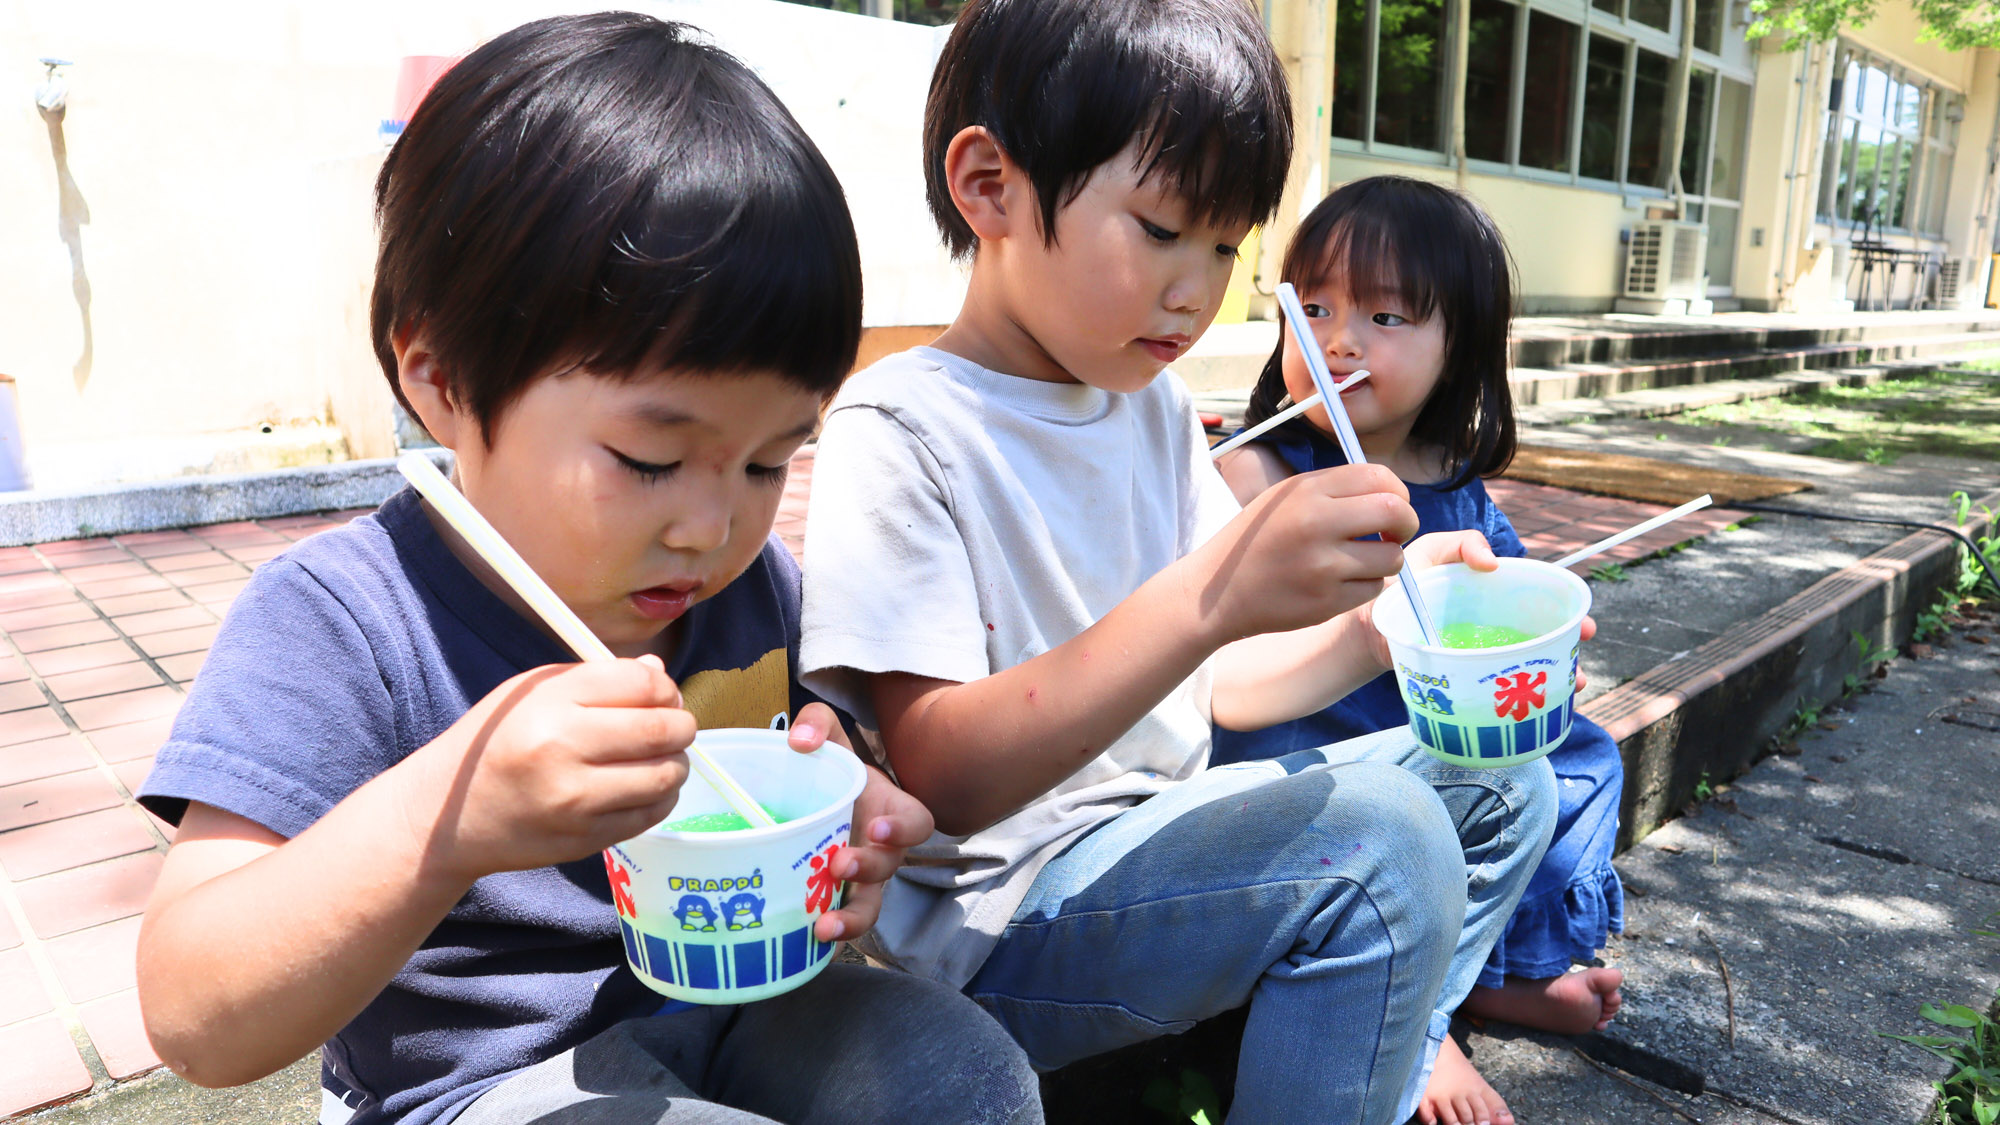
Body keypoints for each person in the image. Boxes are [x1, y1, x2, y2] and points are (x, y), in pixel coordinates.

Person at [134, 15, 1041, 1125]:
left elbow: (814, 762)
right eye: (650, 458)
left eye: (768, 460)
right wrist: (454, 813)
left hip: (736, 1015)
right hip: (469, 1090)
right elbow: (192, 1014)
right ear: (440, 379)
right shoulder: (346, 623)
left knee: (960, 1072)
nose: (710, 526)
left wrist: (856, 808)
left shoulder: (750, 596)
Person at [796, 3, 1557, 1122]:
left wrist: (1388, 620)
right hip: (995, 924)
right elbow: (943, 776)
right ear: (988, 186)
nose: (1197, 291)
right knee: (1378, 840)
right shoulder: (904, 426)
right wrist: (1212, 597)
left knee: (1503, 777)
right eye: (1160, 230)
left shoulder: (1144, 405)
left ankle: (1383, 1066)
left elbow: (1229, 683)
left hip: (1153, 846)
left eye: (1224, 247)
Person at [1214, 175, 1628, 1125]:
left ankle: (1492, 967)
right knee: (1406, 810)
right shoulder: (1261, 469)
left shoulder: (1460, 492)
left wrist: (1541, 649)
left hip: (1434, 734)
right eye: (1310, 307)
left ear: (1460, 352)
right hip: (1298, 733)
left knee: (1569, 756)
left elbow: (1505, 611)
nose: (1336, 340)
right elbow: (1232, 649)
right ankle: (1421, 1025)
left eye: (1385, 315)